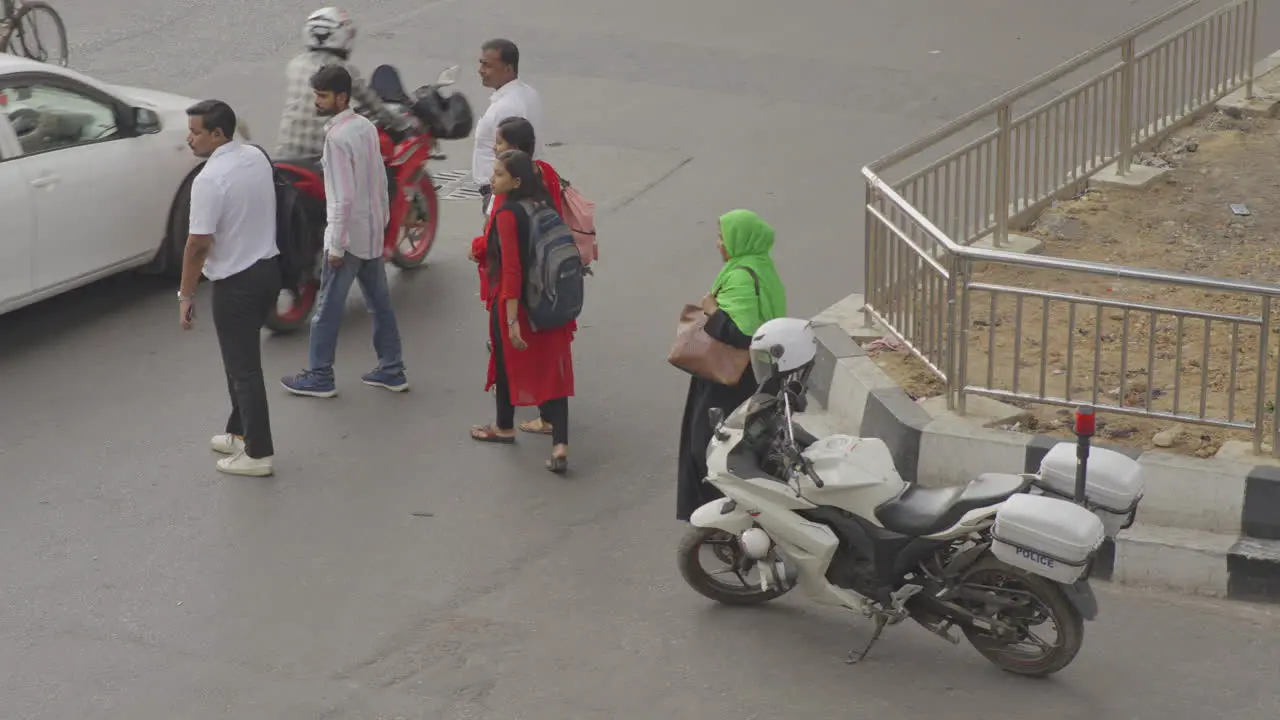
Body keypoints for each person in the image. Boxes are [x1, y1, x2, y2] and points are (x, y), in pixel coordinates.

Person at [281, 64, 408, 398]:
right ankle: (392, 368)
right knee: (380, 304)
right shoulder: (365, 126)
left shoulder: (336, 138)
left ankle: (320, 375)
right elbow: (380, 181)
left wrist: (335, 245)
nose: (317, 102)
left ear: (341, 96)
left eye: (322, 96)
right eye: (316, 95)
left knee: (326, 310)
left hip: (348, 239)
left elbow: (341, 196)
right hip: (369, 233)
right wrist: (380, 224)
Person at [178, 99, 282, 478]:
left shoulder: (208, 180)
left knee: (244, 369)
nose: (189, 139)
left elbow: (197, 245)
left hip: (236, 283)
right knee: (238, 364)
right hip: (267, 270)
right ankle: (239, 432)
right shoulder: (254, 156)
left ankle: (258, 453)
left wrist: (186, 296)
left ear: (217, 134)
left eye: (195, 132)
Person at [676, 209, 787, 521]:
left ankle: (721, 515)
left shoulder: (740, 277)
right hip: (750, 373)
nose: (718, 244)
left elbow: (743, 335)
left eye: (722, 237)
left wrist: (712, 310)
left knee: (709, 445)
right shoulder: (762, 269)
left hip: (730, 379)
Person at [469, 149, 575, 473]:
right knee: (555, 373)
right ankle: (560, 444)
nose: (492, 178)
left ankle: (504, 426)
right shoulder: (542, 205)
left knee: (503, 361)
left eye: (499, 174)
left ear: (515, 181)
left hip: (521, 304)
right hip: (552, 300)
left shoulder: (507, 215)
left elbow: (512, 269)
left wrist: (512, 319)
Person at [274, 6, 408, 160]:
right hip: (320, 156)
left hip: (284, 155)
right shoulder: (343, 71)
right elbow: (374, 106)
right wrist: (403, 124)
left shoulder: (295, 65)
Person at [472, 38, 543, 216]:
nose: (481, 71)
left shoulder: (506, 107)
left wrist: (495, 206)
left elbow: (512, 158)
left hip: (503, 191)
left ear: (508, 69)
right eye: (481, 63)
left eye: (487, 65)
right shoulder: (527, 93)